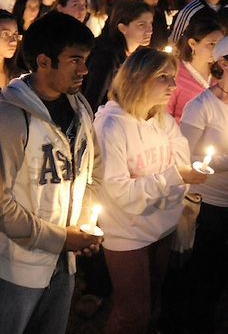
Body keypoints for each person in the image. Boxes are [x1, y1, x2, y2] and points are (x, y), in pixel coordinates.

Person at [0, 12, 102, 334]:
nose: (84, 70)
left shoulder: (80, 106)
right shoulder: (8, 117)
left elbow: (93, 169)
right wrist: (60, 238)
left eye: (85, 60)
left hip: (63, 263)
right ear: (44, 61)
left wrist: (84, 227)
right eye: (75, 60)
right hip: (14, 267)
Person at [94, 48, 204, 334]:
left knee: (150, 303)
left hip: (163, 225)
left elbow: (180, 163)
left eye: (173, 76)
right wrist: (170, 176)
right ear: (138, 79)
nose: (174, 85)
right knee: (133, 315)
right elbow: (120, 192)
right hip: (127, 233)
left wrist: (168, 179)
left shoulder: (161, 119)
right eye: (163, 77)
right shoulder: (109, 127)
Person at [180, 35, 228, 332]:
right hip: (208, 206)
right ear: (223, 62)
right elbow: (184, 157)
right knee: (202, 274)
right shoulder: (201, 106)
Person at [83, 0, 154, 112]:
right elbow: (93, 101)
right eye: (141, 25)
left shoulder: (137, 56)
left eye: (150, 23)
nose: (149, 30)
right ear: (122, 28)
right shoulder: (107, 57)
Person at [167, 17, 224, 122]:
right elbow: (165, 115)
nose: (217, 49)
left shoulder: (221, 73)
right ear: (192, 43)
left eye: (220, 44)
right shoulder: (173, 73)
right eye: (211, 44)